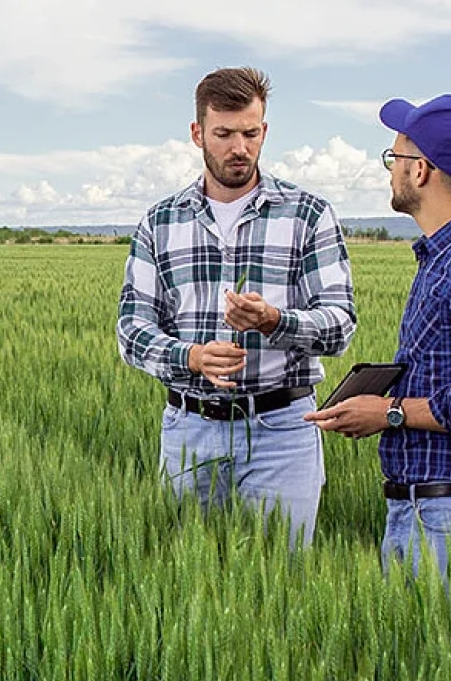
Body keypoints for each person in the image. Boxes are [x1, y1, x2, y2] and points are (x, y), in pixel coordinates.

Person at [117, 67, 356, 545]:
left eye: (250, 133)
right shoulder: (160, 222)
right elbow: (131, 329)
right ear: (197, 133)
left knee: (284, 577)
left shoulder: (308, 214)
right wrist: (191, 357)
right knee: (184, 574)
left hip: (282, 430)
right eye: (224, 134)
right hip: (190, 429)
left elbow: (340, 324)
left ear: (264, 130)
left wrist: (274, 321)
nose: (239, 148)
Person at [304, 94, 451, 576]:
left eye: (394, 157)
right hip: (429, 514)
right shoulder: (445, 258)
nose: (390, 170)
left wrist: (388, 412)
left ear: (421, 170)